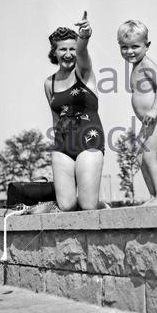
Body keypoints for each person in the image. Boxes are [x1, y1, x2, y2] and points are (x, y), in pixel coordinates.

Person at [44, 12, 104, 211]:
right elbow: (55, 118)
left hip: (89, 141)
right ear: (54, 52)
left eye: (72, 48)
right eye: (63, 49)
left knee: (87, 206)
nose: (69, 53)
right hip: (63, 145)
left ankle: (99, 204)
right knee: (67, 206)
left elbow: (83, 53)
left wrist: (84, 37)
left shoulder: (84, 72)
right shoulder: (49, 83)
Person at [117, 20, 157, 205]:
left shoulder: (147, 64)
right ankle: (153, 196)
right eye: (124, 47)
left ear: (147, 46)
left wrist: (155, 109)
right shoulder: (135, 66)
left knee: (149, 156)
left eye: (135, 46)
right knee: (140, 156)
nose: (129, 51)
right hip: (149, 122)